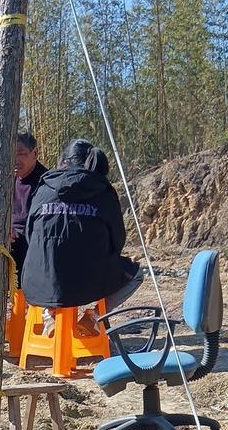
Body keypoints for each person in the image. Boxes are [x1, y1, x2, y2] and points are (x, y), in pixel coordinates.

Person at [21, 138, 143, 316]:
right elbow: (117, 240)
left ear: (63, 161)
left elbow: (30, 234)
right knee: (136, 274)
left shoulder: (43, 187)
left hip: (36, 283)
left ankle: (49, 314)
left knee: (51, 267)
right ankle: (94, 316)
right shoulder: (102, 190)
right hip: (88, 283)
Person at [12, 132, 45, 271]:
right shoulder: (6, 180)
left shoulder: (46, 182)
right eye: (12, 154)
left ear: (35, 153)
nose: (16, 160)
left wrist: (15, 234)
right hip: (9, 240)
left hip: (33, 246)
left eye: (21, 154)